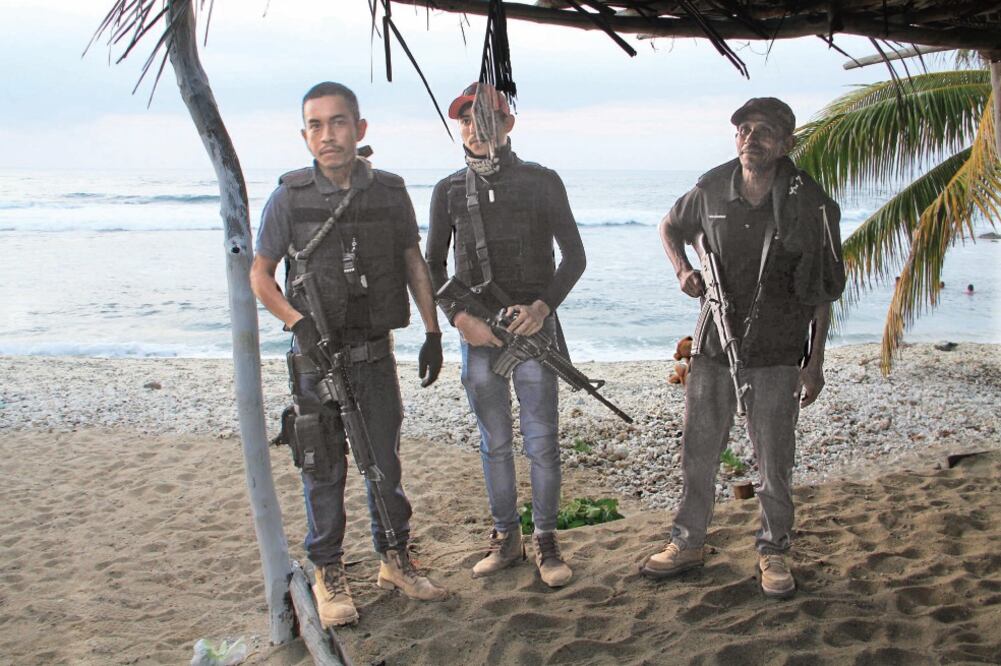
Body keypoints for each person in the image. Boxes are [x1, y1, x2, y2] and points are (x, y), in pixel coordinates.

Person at [250, 82, 447, 627]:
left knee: (384, 462)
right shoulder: (289, 198)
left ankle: (395, 560)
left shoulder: (389, 192)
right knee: (323, 468)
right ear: (304, 135)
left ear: (359, 129)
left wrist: (433, 331)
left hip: (374, 356)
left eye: (337, 123)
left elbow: (412, 261)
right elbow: (261, 276)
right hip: (316, 360)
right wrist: (297, 322)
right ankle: (328, 572)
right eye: (315, 125)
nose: (327, 135)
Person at [642, 97, 846, 598]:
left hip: (778, 349)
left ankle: (773, 550)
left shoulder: (812, 203)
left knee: (774, 460)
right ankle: (687, 542)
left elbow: (823, 292)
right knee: (698, 453)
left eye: (764, 130)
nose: (751, 137)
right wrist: (683, 271)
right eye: (744, 129)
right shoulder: (711, 187)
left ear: (786, 143)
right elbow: (669, 226)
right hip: (714, 345)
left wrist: (814, 363)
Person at [426, 82, 586, 588]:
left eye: (485, 118)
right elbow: (431, 266)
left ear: (508, 123)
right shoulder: (448, 190)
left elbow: (575, 257)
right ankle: (505, 538)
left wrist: (542, 308)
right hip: (478, 335)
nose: (475, 129)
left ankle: (547, 542)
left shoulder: (542, 181)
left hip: (534, 331)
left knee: (542, 443)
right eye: (465, 120)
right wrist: (459, 319)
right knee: (494, 443)